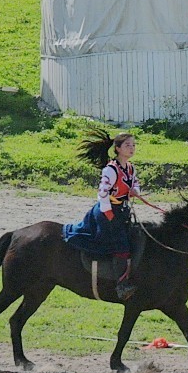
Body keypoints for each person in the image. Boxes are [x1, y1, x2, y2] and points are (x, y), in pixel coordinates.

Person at [62, 128, 152, 300]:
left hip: (122, 211)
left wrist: (135, 191)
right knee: (122, 246)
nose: (131, 148)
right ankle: (121, 285)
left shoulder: (130, 168)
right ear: (118, 148)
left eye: (133, 145)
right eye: (127, 145)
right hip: (106, 212)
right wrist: (109, 214)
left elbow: (136, 184)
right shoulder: (111, 169)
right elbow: (102, 194)